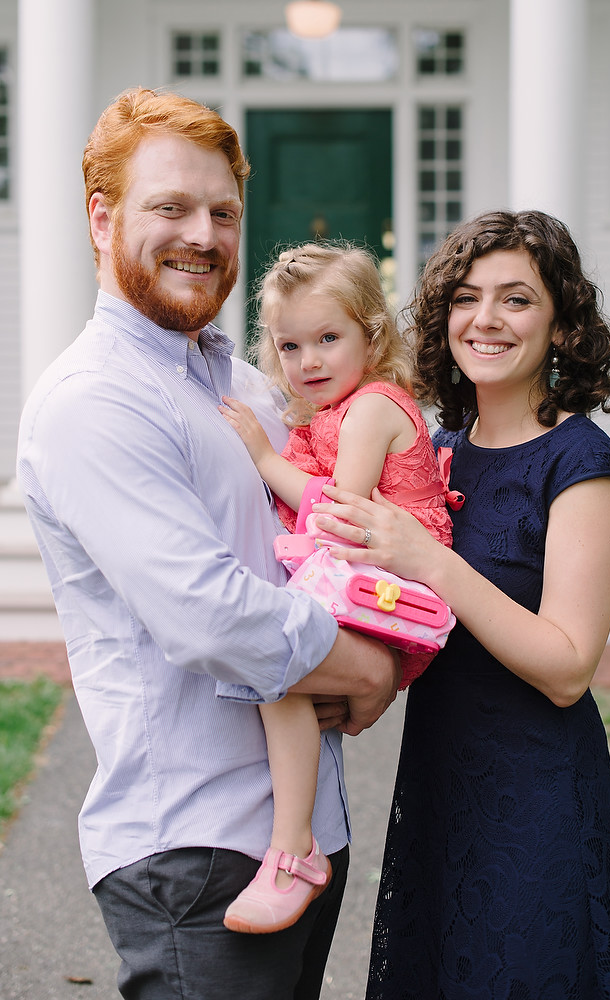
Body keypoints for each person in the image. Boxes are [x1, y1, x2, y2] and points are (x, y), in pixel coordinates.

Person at [15, 88, 400, 1000]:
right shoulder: (93, 401)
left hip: (302, 840)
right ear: (102, 218)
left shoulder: (244, 384)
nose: (204, 233)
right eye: (171, 207)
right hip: (194, 850)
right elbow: (209, 616)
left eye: (223, 212)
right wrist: (371, 671)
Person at [311, 210, 610, 998]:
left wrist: (428, 557)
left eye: (517, 299)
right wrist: (365, 688)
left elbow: (566, 666)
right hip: (440, 788)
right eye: (465, 297)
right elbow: (419, 621)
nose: (485, 319)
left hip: (537, 804)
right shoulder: (441, 450)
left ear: (562, 324)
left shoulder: (581, 464)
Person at [220, 243, 455, 934]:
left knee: (280, 661)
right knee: (282, 669)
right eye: (291, 346)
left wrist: (262, 458)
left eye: (329, 338)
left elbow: (338, 515)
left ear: (372, 336)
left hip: (397, 587)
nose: (310, 361)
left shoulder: (373, 407)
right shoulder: (327, 410)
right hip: (365, 579)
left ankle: (294, 849)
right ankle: (292, 841)